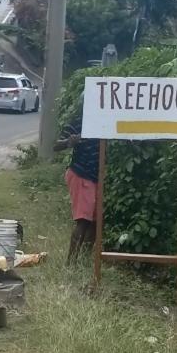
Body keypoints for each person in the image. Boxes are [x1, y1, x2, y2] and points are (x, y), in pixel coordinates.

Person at [55, 99, 100, 264]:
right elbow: (55, 144)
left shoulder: (107, 121)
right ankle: (71, 262)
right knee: (83, 220)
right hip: (82, 175)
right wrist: (68, 142)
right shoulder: (79, 122)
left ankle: (84, 260)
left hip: (97, 177)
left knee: (96, 222)